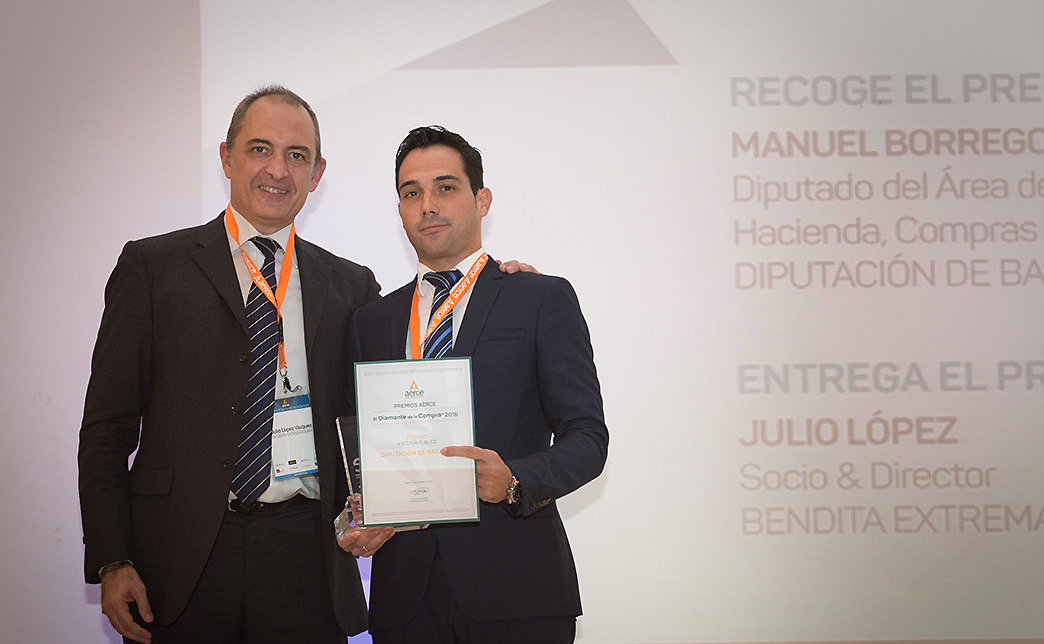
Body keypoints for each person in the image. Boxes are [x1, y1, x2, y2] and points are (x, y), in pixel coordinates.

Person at [76, 85, 396, 644]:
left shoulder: (352, 285)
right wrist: (112, 558)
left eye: (297, 155)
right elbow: (106, 430)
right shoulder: (152, 267)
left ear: (317, 174)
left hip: (306, 557)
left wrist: (503, 285)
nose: (278, 170)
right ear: (227, 157)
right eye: (260, 149)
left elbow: (386, 410)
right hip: (179, 557)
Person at [341, 126, 609, 643]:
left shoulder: (539, 298)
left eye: (446, 187)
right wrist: (359, 513)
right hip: (405, 600)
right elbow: (363, 450)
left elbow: (588, 439)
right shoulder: (371, 321)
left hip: (518, 591)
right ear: (400, 210)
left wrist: (514, 479)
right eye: (411, 193)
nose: (427, 205)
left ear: (482, 200)